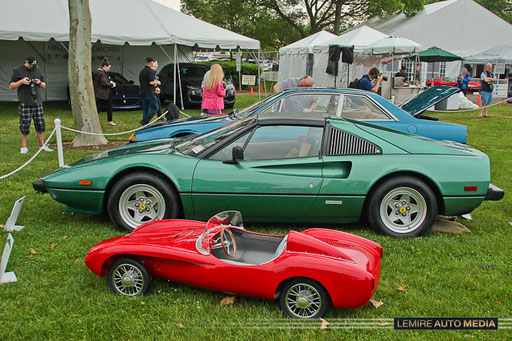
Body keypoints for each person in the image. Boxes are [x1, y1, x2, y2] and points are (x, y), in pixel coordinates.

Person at [9, 56, 53, 154]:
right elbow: (11, 86)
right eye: (31, 65)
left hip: (37, 101)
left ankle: (42, 145)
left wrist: (39, 82)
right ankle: (24, 146)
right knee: (25, 124)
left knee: (40, 123)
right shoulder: (18, 71)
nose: (33, 67)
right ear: (26, 62)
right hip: (25, 100)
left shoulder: (38, 70)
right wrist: (21, 81)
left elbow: (44, 86)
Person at [93, 57, 116, 126]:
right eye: (108, 67)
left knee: (98, 107)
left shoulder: (100, 72)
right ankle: (110, 121)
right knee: (106, 107)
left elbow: (106, 80)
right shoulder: (101, 73)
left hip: (99, 93)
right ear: (105, 66)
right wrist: (111, 84)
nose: (109, 69)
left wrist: (110, 81)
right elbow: (104, 83)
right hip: (103, 93)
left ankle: (95, 121)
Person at [139, 57, 161, 125]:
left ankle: (144, 122)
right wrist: (158, 82)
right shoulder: (149, 71)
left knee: (145, 108)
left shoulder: (142, 71)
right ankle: (145, 121)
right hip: (149, 92)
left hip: (143, 92)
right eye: (153, 62)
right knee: (155, 107)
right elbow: (151, 82)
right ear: (151, 62)